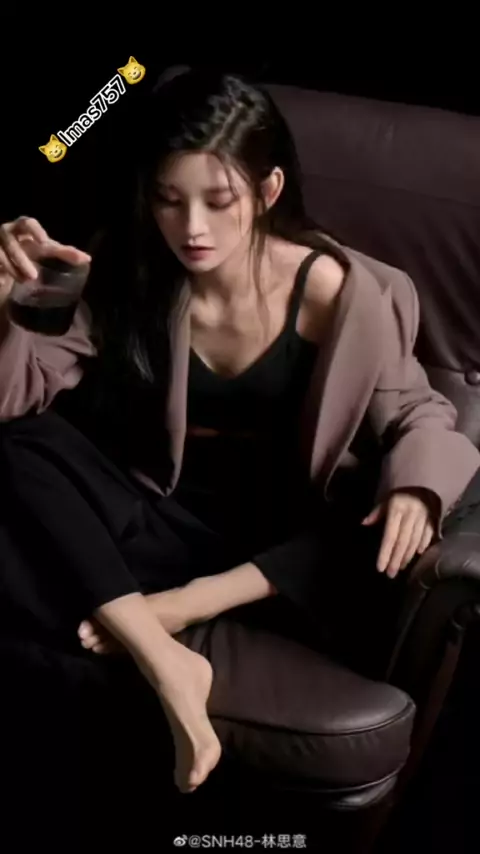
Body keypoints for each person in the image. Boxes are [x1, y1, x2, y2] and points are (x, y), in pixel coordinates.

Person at [0, 68, 480, 799]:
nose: (192, 228)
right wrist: (7, 302)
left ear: (268, 190)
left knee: (379, 515)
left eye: (218, 201)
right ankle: (164, 657)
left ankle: (168, 609)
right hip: (163, 510)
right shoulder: (134, 270)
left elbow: (417, 410)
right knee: (19, 452)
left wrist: (416, 490)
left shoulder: (341, 293)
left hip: (282, 543)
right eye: (169, 200)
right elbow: (18, 396)